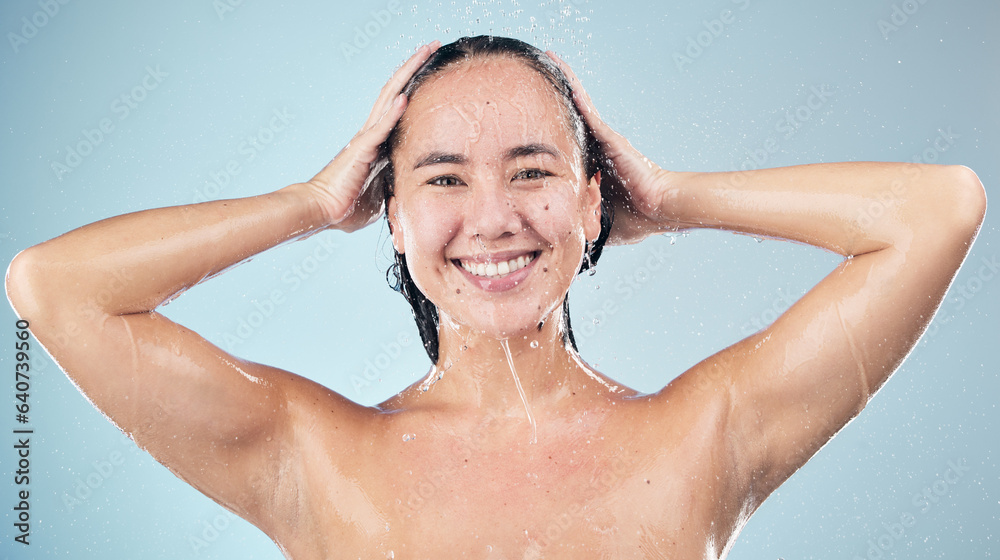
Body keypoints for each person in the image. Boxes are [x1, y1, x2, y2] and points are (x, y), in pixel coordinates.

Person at [5, 35, 986, 559]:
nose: (492, 218)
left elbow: (939, 209)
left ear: (593, 193)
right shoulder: (309, 452)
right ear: (386, 213)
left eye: (532, 172)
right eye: (440, 179)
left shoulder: (704, 434)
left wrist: (676, 196)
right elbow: (51, 286)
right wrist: (306, 203)